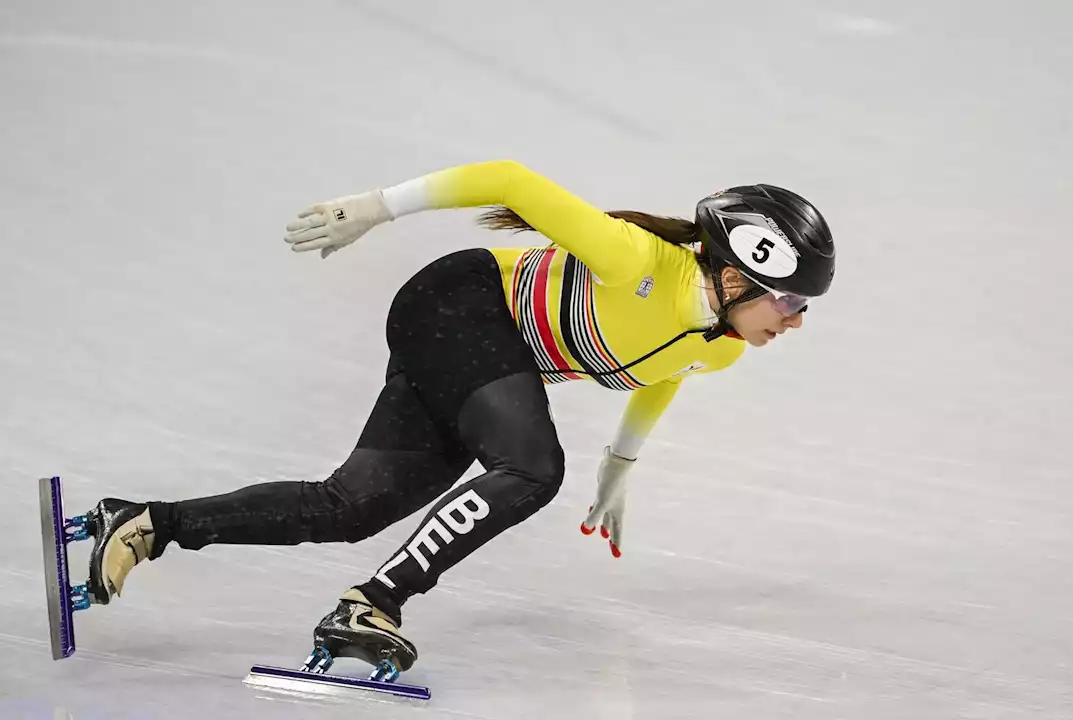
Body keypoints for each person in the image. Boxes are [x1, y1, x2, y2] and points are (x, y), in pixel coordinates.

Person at [80, 160, 836, 671]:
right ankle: (371, 605)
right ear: (737, 274)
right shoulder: (639, 261)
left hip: (477, 348)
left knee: (351, 506)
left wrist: (620, 467)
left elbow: (672, 370)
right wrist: (372, 209)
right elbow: (508, 178)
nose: (797, 321)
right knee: (533, 468)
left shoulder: (726, 345)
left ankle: (146, 522)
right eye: (792, 300)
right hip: (457, 303)